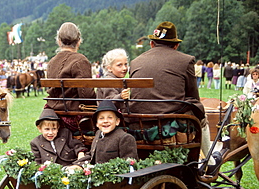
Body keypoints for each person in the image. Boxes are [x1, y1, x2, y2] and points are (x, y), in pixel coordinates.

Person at [126, 21, 213, 165]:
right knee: (200, 113)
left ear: (152, 44)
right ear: (176, 45)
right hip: (170, 123)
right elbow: (193, 96)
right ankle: (209, 161)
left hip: (138, 124)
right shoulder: (186, 60)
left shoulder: (135, 61)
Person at [45, 22, 96, 132]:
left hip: (52, 113)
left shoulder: (52, 62)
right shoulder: (80, 61)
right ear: (79, 41)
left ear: (59, 42)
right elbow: (86, 95)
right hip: (75, 117)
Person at [74, 100, 138, 165]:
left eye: (110, 118)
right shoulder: (98, 133)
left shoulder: (125, 138)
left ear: (117, 121)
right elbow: (92, 155)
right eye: (101, 118)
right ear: (97, 123)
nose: (105, 121)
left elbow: (129, 164)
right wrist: (78, 165)